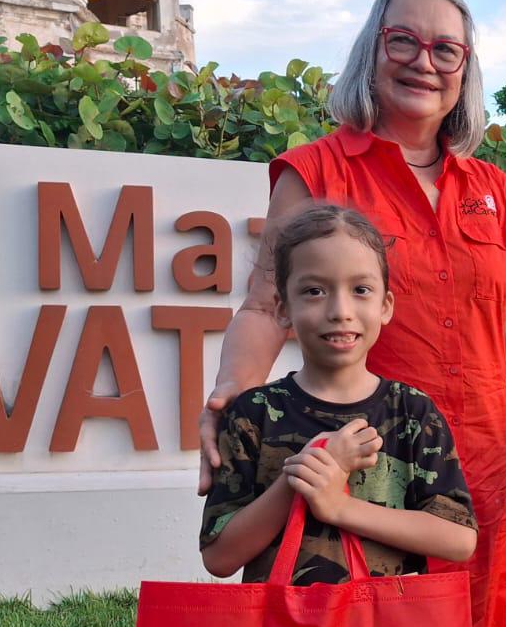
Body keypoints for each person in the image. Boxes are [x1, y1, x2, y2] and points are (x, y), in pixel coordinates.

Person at [197, 0, 506, 627]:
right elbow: (266, 304)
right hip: (359, 464)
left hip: (473, 471)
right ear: (373, 48)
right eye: (404, 40)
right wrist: (229, 399)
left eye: (446, 49)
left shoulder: (490, 191)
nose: (424, 62)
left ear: (465, 68)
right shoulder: (316, 170)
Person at [199, 205, 476, 585]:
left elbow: (458, 539)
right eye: (314, 291)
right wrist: (299, 479)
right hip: (282, 623)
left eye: (360, 290)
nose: (340, 311)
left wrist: (338, 507)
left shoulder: (413, 414)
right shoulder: (254, 413)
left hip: (383, 621)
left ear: (385, 306)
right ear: (282, 308)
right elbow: (219, 557)